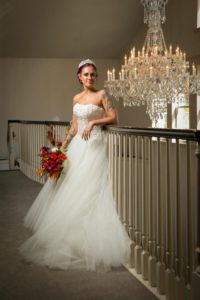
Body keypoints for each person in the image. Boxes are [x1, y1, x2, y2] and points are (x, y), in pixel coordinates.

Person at [19, 59, 132, 271]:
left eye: (93, 74)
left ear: (96, 77)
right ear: (79, 77)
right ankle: (71, 238)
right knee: (73, 188)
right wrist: (63, 146)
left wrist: (93, 122)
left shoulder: (102, 95)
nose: (90, 78)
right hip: (79, 146)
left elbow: (113, 117)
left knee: (92, 191)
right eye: (86, 74)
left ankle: (91, 240)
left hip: (96, 146)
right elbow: (73, 125)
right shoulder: (76, 98)